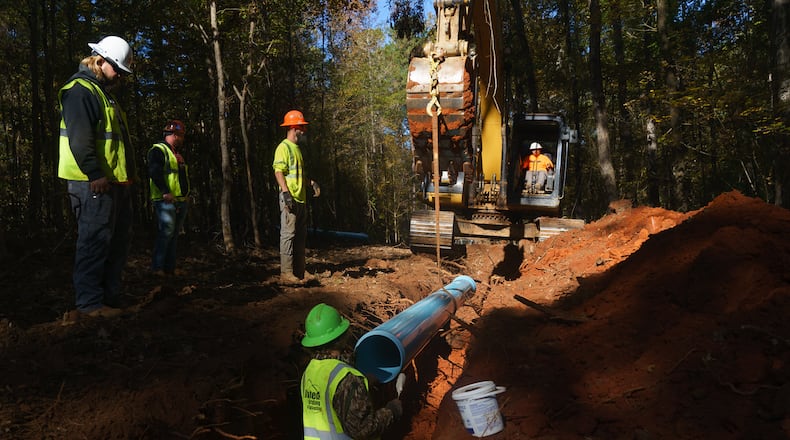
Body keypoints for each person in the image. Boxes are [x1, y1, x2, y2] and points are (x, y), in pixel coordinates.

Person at [58, 35, 136, 318]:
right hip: (92, 182)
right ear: (100, 61)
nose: (119, 75)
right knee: (94, 241)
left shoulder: (104, 93)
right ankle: (90, 304)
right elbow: (80, 139)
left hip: (112, 182)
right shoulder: (80, 91)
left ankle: (109, 299)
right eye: (117, 68)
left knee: (116, 242)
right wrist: (94, 173)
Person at [300, 303, 402, 439]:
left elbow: (331, 400)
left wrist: (362, 382)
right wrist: (391, 411)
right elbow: (363, 430)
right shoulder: (347, 378)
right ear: (341, 336)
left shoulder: (310, 372)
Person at [272, 110, 320, 285]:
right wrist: (286, 193)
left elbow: (297, 175)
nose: (303, 131)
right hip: (290, 198)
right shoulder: (283, 147)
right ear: (293, 127)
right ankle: (286, 274)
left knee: (300, 236)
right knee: (288, 236)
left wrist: (311, 183)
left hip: (300, 199)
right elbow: (279, 172)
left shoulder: (297, 149)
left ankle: (300, 272)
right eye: (301, 127)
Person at [148, 119, 190, 276]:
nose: (183, 138)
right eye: (181, 135)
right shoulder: (158, 150)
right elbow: (154, 172)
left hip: (179, 200)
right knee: (166, 232)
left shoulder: (176, 153)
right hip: (164, 200)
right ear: (174, 134)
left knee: (174, 235)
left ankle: (169, 268)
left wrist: (185, 195)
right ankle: (157, 268)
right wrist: (165, 191)